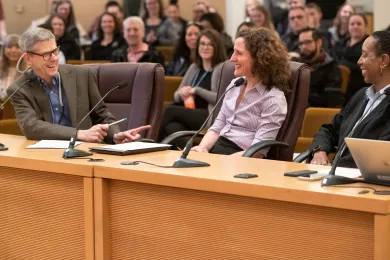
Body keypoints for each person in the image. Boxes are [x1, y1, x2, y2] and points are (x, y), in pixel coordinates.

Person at [7, 27, 150, 143]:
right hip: (46, 155)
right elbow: (32, 127)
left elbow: (102, 115)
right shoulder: (19, 89)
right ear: (28, 58)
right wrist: (79, 134)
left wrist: (115, 135)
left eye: (55, 51)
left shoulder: (81, 75)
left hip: (84, 153)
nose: (54, 59)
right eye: (46, 54)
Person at [191, 27, 290, 156]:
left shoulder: (273, 98)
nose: (232, 58)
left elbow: (258, 151)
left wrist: (220, 162)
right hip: (217, 148)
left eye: (239, 53)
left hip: (241, 158)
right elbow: (217, 127)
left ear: (259, 58)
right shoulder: (235, 84)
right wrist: (202, 148)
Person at [310, 31, 390, 168]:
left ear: (383, 61)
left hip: (360, 182)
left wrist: (334, 170)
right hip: (333, 175)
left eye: (365, 55)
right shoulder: (361, 95)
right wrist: (319, 151)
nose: (359, 61)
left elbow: (379, 158)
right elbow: (329, 129)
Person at [158, 29, 227, 145]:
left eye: (210, 44)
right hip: (189, 111)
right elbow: (175, 96)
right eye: (203, 44)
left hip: (207, 115)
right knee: (172, 127)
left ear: (217, 47)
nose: (205, 47)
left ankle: (153, 144)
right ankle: (189, 154)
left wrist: (197, 90)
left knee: (170, 110)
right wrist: (182, 92)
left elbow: (220, 99)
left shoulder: (221, 68)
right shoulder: (194, 67)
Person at [296, 28, 341, 107]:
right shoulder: (297, 65)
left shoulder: (331, 68)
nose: (303, 47)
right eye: (301, 43)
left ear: (319, 42)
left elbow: (330, 101)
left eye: (307, 42)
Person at [332, 13, 370, 105]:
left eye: (359, 24)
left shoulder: (370, 45)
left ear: (365, 26)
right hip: (339, 87)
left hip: (359, 90)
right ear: (348, 26)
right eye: (352, 24)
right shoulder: (342, 43)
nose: (355, 26)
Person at [0, 35, 25, 100]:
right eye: (9, 47)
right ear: (4, 49)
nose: (13, 50)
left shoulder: (29, 71)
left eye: (17, 47)